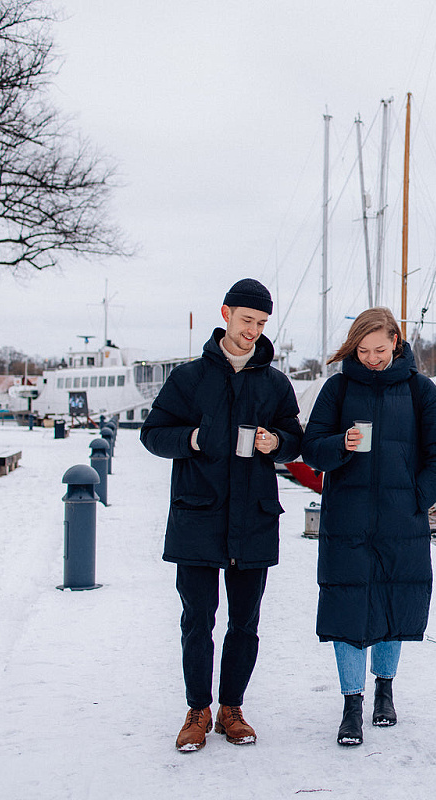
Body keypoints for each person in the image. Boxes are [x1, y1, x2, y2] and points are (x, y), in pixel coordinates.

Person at [140, 278, 302, 753]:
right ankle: (198, 709)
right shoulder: (188, 378)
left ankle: (232, 708)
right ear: (226, 314)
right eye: (247, 319)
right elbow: (153, 434)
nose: (254, 330)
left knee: (245, 622)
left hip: (253, 518)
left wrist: (277, 442)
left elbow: (296, 439)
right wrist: (192, 438)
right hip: (198, 515)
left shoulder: (274, 383)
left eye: (262, 323)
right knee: (197, 619)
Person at [302, 307, 436, 746]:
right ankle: (351, 704)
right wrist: (340, 444)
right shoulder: (336, 389)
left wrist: (414, 499)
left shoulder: (420, 391)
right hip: (346, 521)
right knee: (347, 608)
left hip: (400, 521)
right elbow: (312, 449)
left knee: (394, 602)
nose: (372, 358)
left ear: (395, 342)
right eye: (363, 351)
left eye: (379, 350)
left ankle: (384, 691)